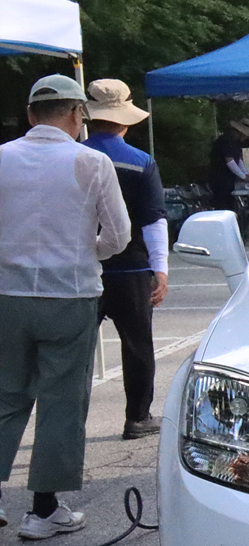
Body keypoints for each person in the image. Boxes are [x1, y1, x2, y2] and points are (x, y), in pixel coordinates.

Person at [0, 75, 132, 539]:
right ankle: (42, 509)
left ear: (32, 114)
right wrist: (83, 252)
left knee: (6, 394)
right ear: (78, 115)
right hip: (70, 294)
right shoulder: (92, 162)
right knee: (61, 399)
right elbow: (118, 236)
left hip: (7, 296)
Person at [81, 80, 169, 439]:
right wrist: (160, 268)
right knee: (137, 346)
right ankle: (138, 417)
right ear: (125, 120)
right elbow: (153, 219)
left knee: (79, 352)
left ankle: (70, 422)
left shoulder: (75, 157)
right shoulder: (141, 162)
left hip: (82, 268)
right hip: (132, 268)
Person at [207, 117, 249, 211]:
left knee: (230, 203)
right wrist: (243, 176)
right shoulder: (226, 141)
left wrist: (246, 174)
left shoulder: (236, 143)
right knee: (223, 204)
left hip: (229, 179)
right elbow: (230, 161)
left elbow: (239, 161)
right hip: (220, 178)